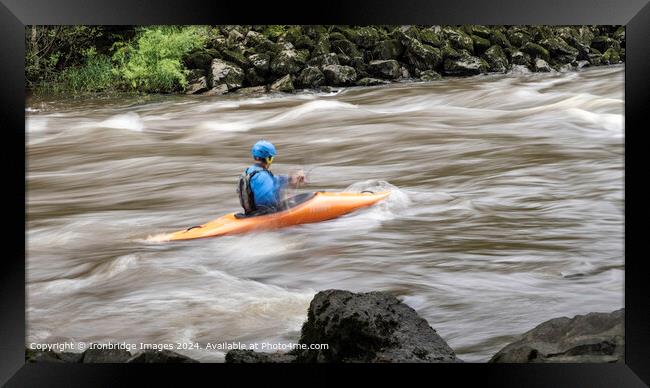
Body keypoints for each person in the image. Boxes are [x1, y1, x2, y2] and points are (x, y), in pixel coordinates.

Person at [237, 140, 306, 215]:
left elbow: (274, 180)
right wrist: (284, 198)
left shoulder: (250, 171)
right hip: (264, 214)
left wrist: (290, 179)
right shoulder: (263, 176)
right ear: (268, 159)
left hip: (251, 212)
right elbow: (268, 202)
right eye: (272, 158)